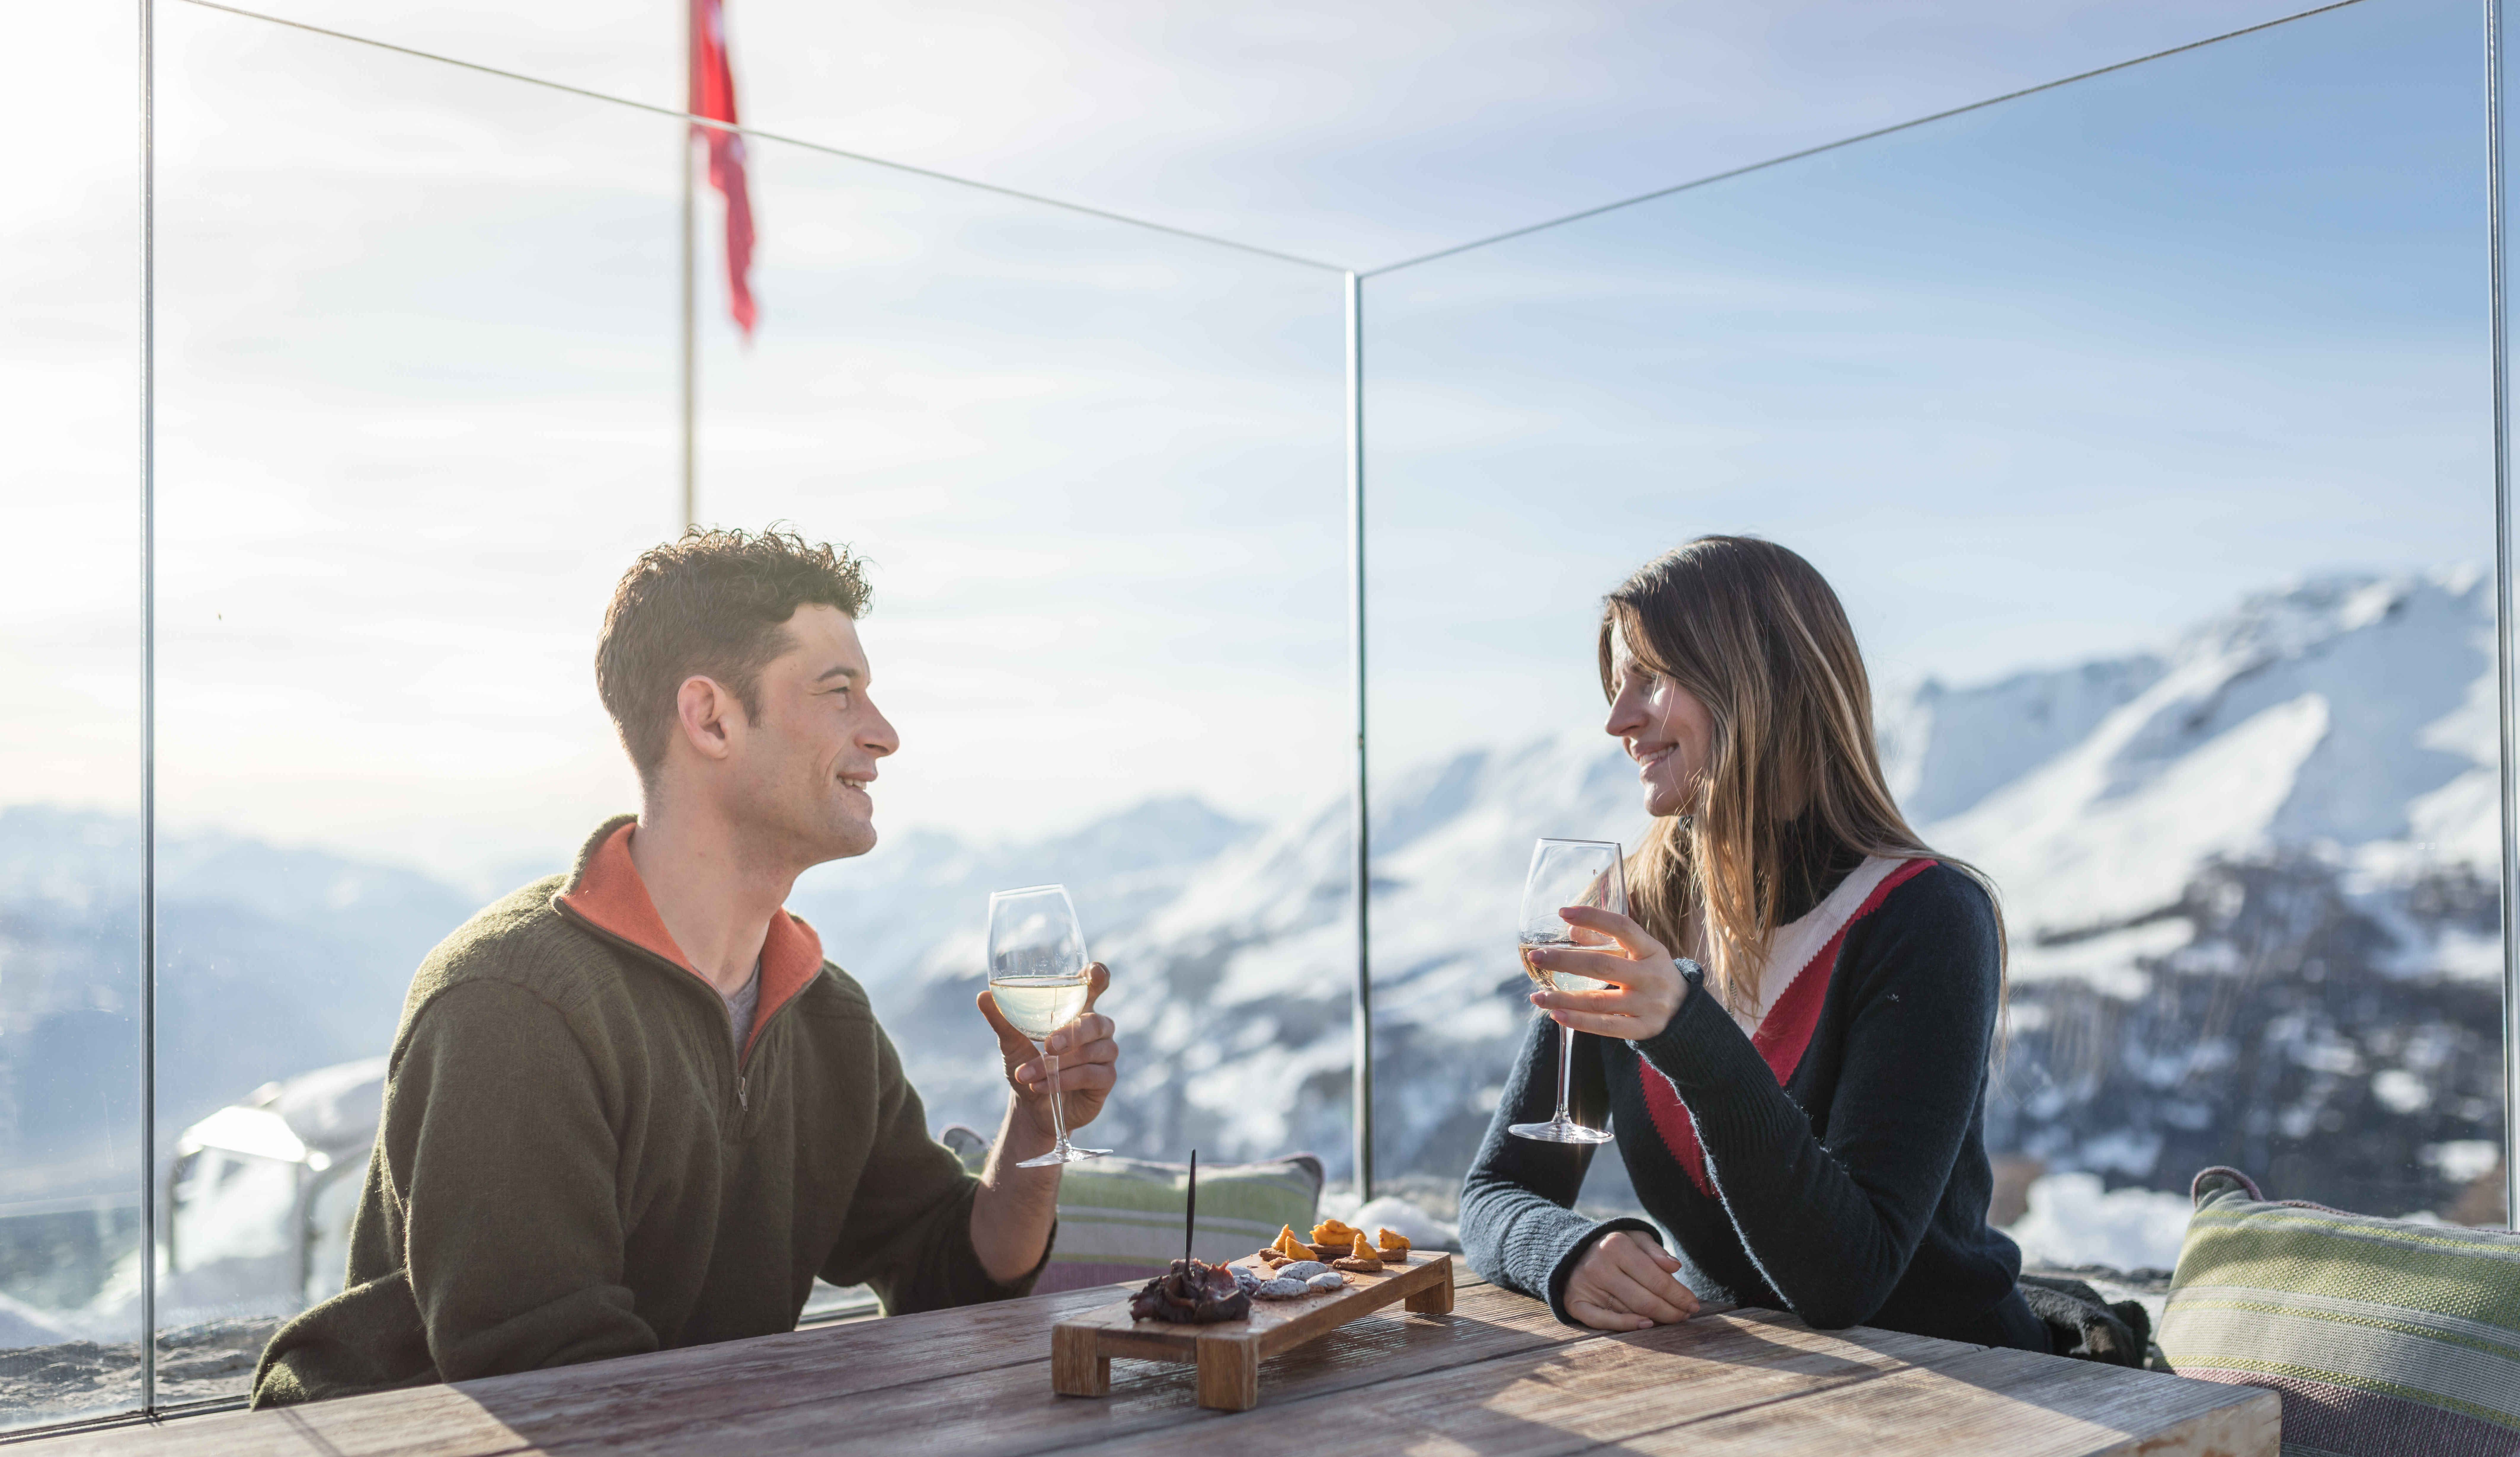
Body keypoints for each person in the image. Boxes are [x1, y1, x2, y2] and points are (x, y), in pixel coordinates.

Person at [253, 528, 1120, 1405]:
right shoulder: (512, 1005)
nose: (884, 733)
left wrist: (1036, 1113)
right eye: (839, 693)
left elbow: (954, 1268)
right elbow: (557, 1389)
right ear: (710, 718)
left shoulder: (825, 1019)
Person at [1458, 535, 2047, 1353]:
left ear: (1757, 684)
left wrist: (1685, 1033)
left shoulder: (1926, 917)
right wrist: (1566, 1252)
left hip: (1972, 1386)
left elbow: (1846, 1280)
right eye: (1617, 683)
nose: (1618, 720)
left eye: (1651, 680)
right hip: (1743, 1386)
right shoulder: (1634, 910)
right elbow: (1496, 1192)